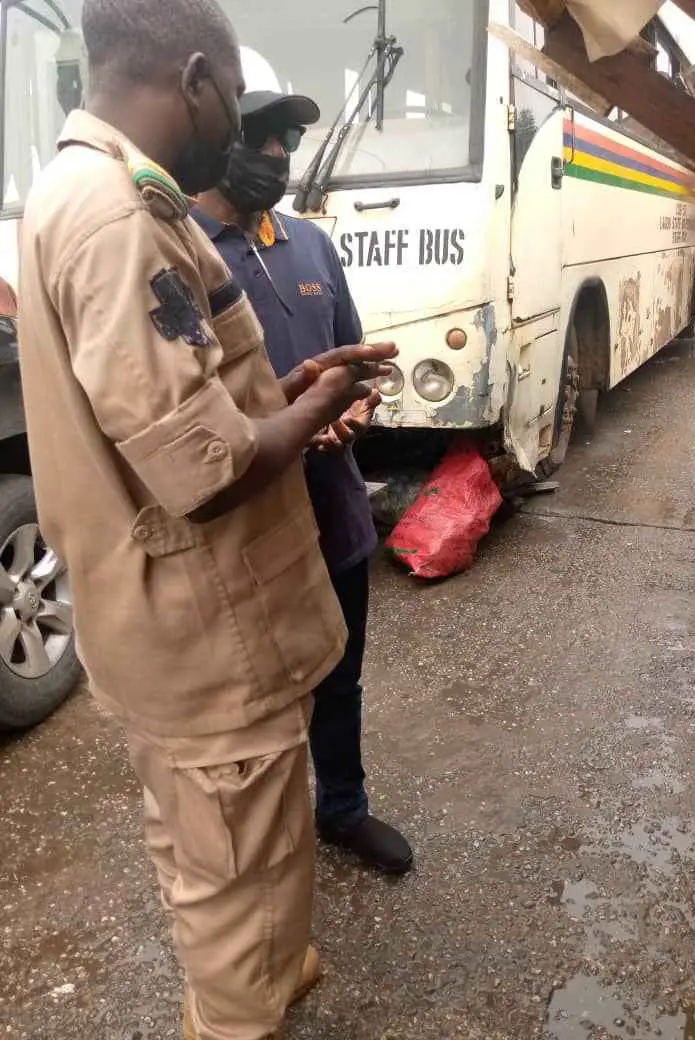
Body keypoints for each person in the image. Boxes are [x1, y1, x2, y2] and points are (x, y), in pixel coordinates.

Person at [17, 1, 397, 1038]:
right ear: (192, 79)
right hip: (199, 630)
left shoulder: (103, 195)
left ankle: (273, 969)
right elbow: (205, 467)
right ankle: (242, 1007)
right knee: (229, 875)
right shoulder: (114, 214)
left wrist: (289, 384)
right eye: (232, 99)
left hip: (185, 624)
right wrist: (313, 406)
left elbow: (182, 405)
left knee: (232, 846)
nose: (241, 128)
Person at [194, 89, 414, 876]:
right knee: (256, 694)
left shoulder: (312, 245)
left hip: (337, 511)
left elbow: (357, 361)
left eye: (288, 137)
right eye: (260, 135)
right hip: (250, 528)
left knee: (339, 674)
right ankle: (262, 843)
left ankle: (343, 809)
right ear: (218, 134)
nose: (280, 154)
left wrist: (359, 404)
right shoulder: (184, 251)